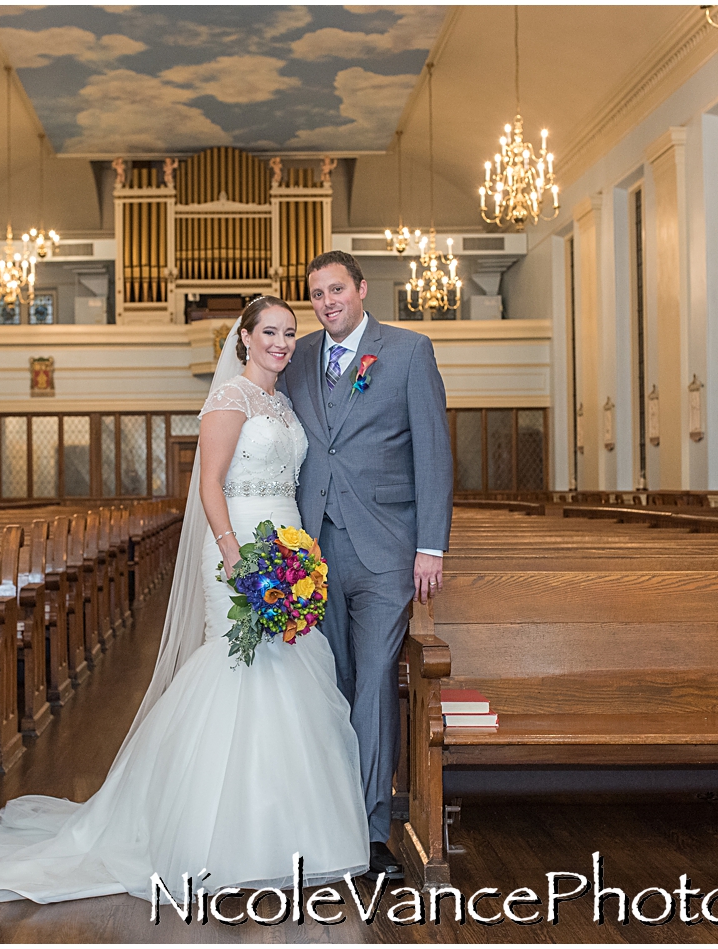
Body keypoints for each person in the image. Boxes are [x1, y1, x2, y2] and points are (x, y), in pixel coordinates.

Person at [0, 296, 369, 904]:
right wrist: (235, 553)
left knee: (292, 670)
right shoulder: (230, 399)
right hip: (237, 547)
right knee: (239, 668)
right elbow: (209, 484)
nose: (282, 342)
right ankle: (210, 835)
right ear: (243, 338)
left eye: (290, 332)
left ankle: (289, 832)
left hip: (290, 551)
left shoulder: (285, 405)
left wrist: (301, 557)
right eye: (269, 331)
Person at [283, 250, 454, 883]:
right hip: (313, 553)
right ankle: (328, 815)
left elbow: (433, 452)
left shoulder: (408, 351)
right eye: (316, 294)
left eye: (336, 290)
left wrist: (430, 545)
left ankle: (370, 828)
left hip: (386, 551)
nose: (326, 302)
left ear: (361, 289)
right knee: (334, 682)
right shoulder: (298, 356)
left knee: (377, 679)